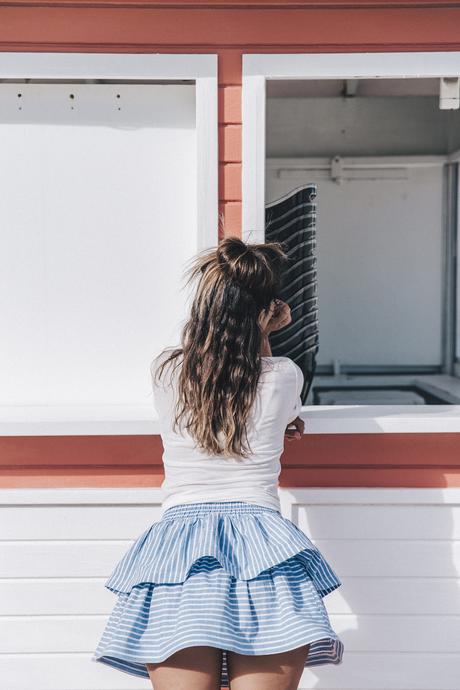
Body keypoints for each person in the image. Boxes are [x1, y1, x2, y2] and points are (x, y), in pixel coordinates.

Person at [92, 236, 344, 690]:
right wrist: (264, 337)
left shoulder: (167, 371)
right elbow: (266, 398)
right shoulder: (284, 375)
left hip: (179, 554)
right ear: (266, 312)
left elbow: (223, 390)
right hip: (263, 548)